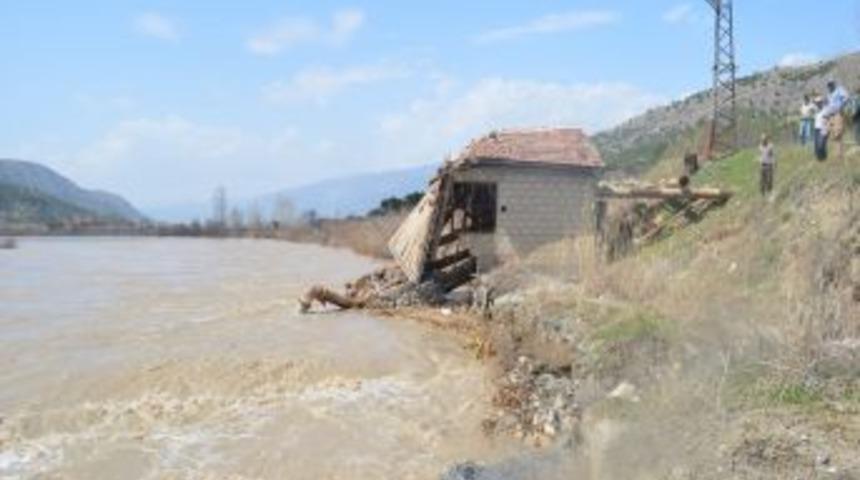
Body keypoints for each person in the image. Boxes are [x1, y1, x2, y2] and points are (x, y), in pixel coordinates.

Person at [823, 79, 849, 160]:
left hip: (838, 114)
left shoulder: (839, 90)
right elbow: (827, 104)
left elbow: (847, 97)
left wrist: (841, 105)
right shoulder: (829, 94)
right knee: (832, 135)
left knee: (838, 134)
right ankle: (836, 154)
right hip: (830, 115)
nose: (829, 86)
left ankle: (839, 156)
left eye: (831, 84)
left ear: (834, 84)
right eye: (828, 85)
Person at [814, 96, 829, 161]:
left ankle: (823, 157)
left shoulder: (825, 110)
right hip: (816, 128)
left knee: (821, 144)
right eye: (816, 103)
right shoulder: (816, 111)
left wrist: (826, 129)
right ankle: (819, 158)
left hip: (822, 128)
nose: (817, 104)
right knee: (817, 144)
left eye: (818, 102)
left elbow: (827, 120)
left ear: (821, 103)